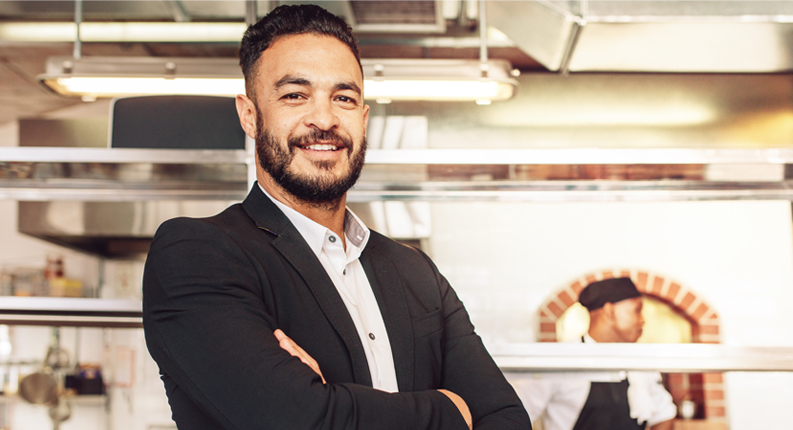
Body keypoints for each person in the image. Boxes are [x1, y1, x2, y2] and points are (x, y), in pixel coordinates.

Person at [141, 4, 530, 430]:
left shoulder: (414, 272)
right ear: (249, 115)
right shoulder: (197, 254)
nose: (324, 119)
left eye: (343, 98)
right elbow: (302, 419)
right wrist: (452, 410)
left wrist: (333, 401)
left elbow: (507, 419)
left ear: (363, 119)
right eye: (295, 95)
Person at [511, 277, 677, 430]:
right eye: (637, 310)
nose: (642, 320)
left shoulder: (637, 361)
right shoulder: (560, 359)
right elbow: (512, 416)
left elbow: (664, 415)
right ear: (609, 311)